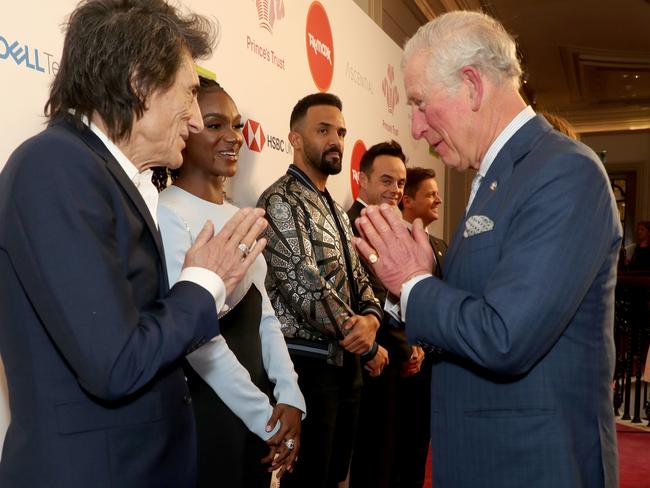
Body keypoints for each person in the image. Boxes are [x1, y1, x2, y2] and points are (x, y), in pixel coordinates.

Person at [0, 2, 268, 487]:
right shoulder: (56, 167)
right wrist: (203, 283)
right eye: (188, 94)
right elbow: (116, 363)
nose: (192, 120)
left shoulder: (108, 176)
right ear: (139, 82)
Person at [353, 11, 621, 488]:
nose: (415, 127)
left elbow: (504, 336)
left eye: (419, 103)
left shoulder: (564, 172)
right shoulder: (500, 177)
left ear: (472, 86)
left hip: (533, 464)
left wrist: (413, 284)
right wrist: (410, 283)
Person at [154, 77, 306, 487]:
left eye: (236, 125)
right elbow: (197, 339)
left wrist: (290, 396)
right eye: (216, 124)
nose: (233, 137)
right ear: (185, 129)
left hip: (257, 407)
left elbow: (265, 314)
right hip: (208, 406)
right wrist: (266, 417)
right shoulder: (167, 213)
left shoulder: (241, 213)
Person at [257, 93, 383, 488]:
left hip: (346, 370)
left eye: (341, 132)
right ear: (295, 139)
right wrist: (362, 335)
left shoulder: (335, 209)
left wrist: (373, 321)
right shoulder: (279, 200)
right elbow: (305, 285)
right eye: (323, 130)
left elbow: (361, 277)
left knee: (334, 478)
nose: (336, 140)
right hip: (306, 370)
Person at [346, 140, 416, 488]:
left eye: (401, 183)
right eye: (387, 180)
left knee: (387, 458)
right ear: (363, 180)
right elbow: (366, 298)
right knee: (369, 460)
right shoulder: (352, 226)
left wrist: (413, 342)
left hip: (393, 360)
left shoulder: (393, 226)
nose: (396, 190)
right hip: (367, 361)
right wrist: (401, 346)